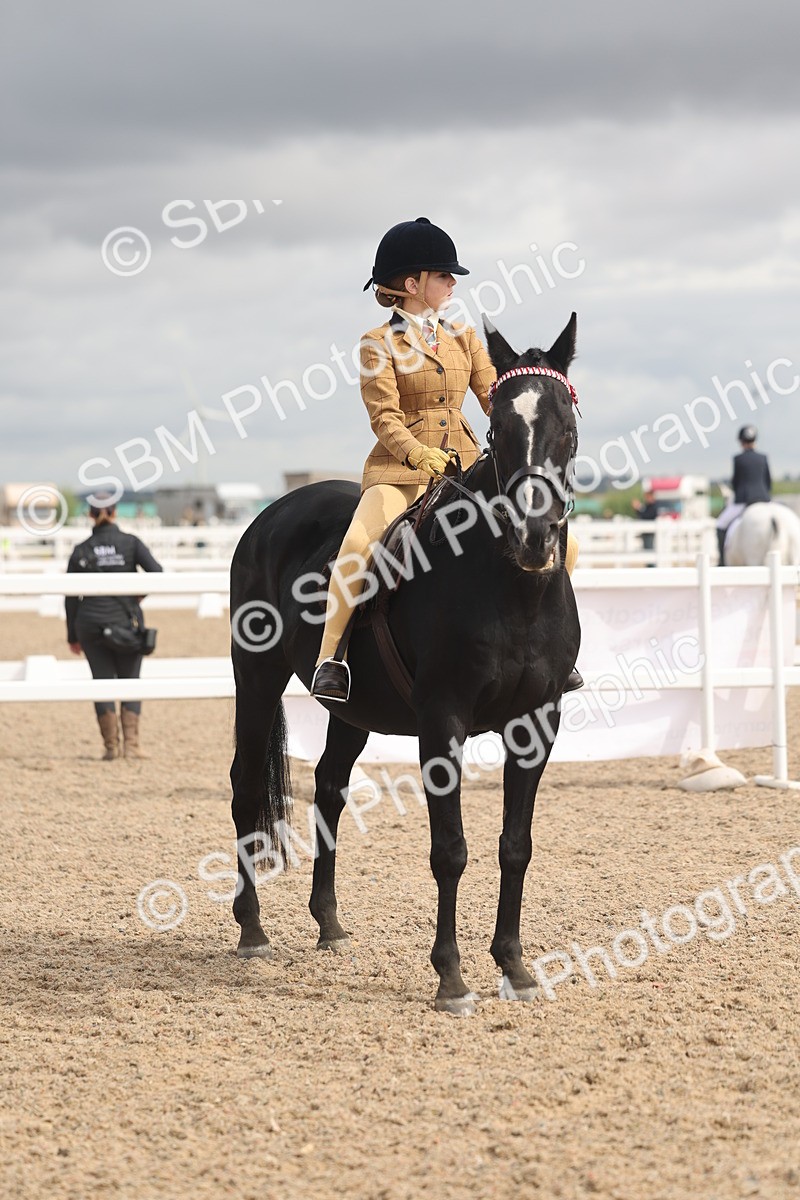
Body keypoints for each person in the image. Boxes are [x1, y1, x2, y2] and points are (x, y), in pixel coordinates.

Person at [310, 216, 581, 703]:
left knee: (567, 544)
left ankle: (552, 649)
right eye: (443, 276)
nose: (453, 284)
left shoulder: (463, 334)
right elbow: (383, 416)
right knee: (356, 548)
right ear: (412, 284)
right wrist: (418, 454)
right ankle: (332, 659)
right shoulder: (378, 343)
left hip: (466, 466)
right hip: (400, 472)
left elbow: (491, 395)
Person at [65, 498, 163, 759]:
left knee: (102, 683)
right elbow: (157, 571)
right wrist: (136, 596)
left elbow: (71, 596)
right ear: (115, 512)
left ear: (90, 514)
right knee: (131, 681)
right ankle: (131, 746)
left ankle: (110, 748)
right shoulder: (130, 543)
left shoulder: (81, 549)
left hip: (90, 623)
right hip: (124, 622)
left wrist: (72, 635)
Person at [716, 425, 772, 565]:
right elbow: (768, 481)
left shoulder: (738, 459)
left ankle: (722, 561)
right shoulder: (763, 458)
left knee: (720, 524)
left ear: (741, 441)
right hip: (764, 499)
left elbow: (736, 483)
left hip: (744, 501)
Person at [632, 488, 658, 565]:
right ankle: (650, 566)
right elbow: (643, 516)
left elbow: (647, 516)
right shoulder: (648, 506)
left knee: (649, 549)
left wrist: (638, 509)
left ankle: (651, 567)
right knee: (647, 549)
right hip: (646, 531)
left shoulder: (653, 506)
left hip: (649, 531)